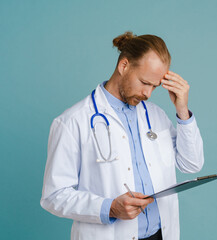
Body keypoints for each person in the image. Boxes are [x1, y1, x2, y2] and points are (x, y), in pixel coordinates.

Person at [40, 31, 204, 240]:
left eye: (154, 86)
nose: (148, 94)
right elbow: (53, 196)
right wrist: (109, 208)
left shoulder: (156, 115)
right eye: (144, 82)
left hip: (160, 235)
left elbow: (192, 164)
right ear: (124, 66)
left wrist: (182, 110)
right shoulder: (72, 122)